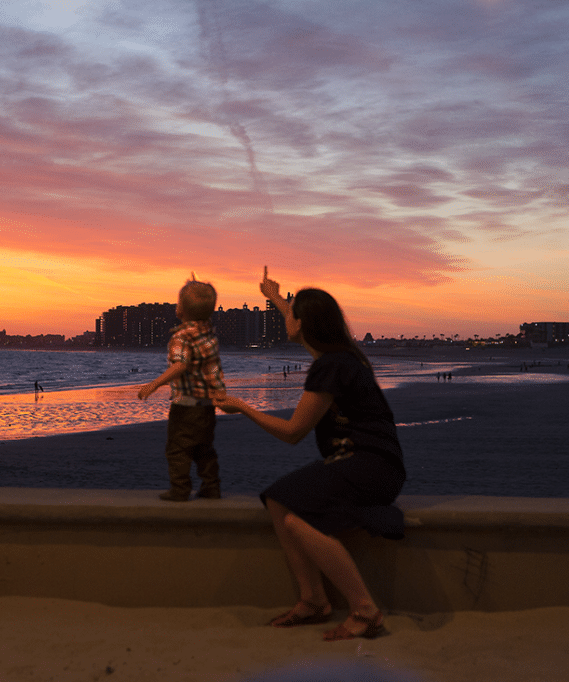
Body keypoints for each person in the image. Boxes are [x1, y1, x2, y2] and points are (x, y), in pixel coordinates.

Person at [214, 267, 407, 641]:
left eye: (291, 315)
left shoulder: (331, 367)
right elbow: (299, 317)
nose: (287, 318)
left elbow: (293, 433)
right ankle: (313, 601)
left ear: (302, 324)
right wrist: (275, 297)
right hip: (372, 462)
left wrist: (243, 407)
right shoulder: (341, 356)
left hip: (369, 466)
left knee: (296, 519)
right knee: (277, 499)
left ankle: (365, 610)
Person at [138, 277, 227, 501]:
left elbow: (181, 365)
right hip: (207, 406)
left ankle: (179, 489)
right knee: (204, 448)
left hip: (185, 406)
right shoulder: (208, 334)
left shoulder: (182, 336)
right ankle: (211, 486)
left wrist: (154, 383)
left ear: (181, 310)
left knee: (178, 448)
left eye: (178, 303)